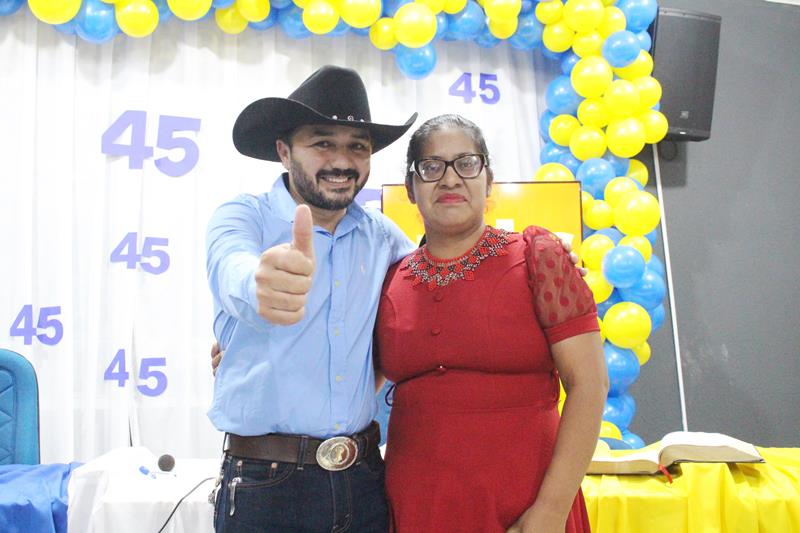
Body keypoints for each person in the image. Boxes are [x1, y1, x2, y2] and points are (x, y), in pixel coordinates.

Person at [205, 65, 418, 532]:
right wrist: (262, 285)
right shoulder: (243, 218)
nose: (341, 160)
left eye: (356, 147)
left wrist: (535, 252)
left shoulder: (382, 235)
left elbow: (444, 276)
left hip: (364, 479)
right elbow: (234, 270)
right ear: (284, 151)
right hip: (266, 485)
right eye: (323, 142)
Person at [375, 114, 609, 533]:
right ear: (411, 189)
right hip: (417, 504)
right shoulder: (389, 280)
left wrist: (551, 510)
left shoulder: (538, 257)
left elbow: (589, 385)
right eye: (430, 168)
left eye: (466, 163)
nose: (449, 180)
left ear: (489, 179)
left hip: (527, 506)